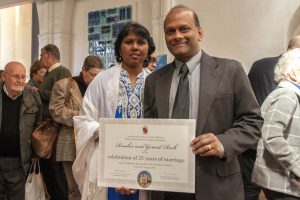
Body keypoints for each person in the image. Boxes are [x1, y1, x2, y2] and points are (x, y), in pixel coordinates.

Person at [143, 5, 263, 200]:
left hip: (216, 186)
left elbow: (253, 122)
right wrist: (132, 173)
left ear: (199, 32)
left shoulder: (231, 71)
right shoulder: (153, 81)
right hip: (166, 188)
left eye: (184, 28)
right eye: (170, 31)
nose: (177, 35)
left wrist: (223, 142)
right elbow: (147, 131)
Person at [73, 22, 155, 200]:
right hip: (108, 163)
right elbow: (83, 120)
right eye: (128, 42)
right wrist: (108, 132)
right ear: (119, 47)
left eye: (141, 42)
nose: (135, 47)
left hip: (146, 163)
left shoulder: (155, 82)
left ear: (148, 48)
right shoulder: (103, 80)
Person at [240, 35, 300, 200]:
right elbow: (272, 136)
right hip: (278, 174)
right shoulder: (287, 95)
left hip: (280, 172)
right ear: (294, 73)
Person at [49, 55, 104, 200]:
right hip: (69, 143)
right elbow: (56, 110)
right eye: (92, 75)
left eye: (98, 75)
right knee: (74, 189)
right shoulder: (64, 85)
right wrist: (82, 118)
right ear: (83, 70)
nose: (95, 79)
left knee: (91, 186)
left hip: (93, 142)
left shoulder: (100, 88)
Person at [0, 61, 42, 199]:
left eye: (23, 77)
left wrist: (35, 154)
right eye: (16, 76)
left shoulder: (33, 97)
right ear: (4, 76)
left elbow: (38, 127)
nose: (20, 81)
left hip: (19, 162)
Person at [39, 44, 71, 200]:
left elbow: (61, 96)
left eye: (41, 55)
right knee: (49, 172)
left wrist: (37, 91)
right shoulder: (51, 73)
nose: (39, 59)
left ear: (48, 55)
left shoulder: (62, 72)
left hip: (55, 129)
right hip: (47, 128)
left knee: (56, 172)